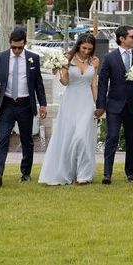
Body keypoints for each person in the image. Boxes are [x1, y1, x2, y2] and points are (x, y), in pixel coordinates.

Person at [0, 28, 47, 186]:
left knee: (27, 140)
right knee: (3, 138)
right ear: (9, 44)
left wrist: (43, 104)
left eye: (20, 47)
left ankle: (26, 173)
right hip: (7, 104)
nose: (17, 50)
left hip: (25, 104)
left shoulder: (33, 58)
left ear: (25, 44)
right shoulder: (0, 58)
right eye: (14, 47)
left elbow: (38, 84)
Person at [39, 32, 99, 185]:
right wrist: (58, 71)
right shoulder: (68, 58)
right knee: (69, 137)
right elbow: (65, 82)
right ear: (79, 45)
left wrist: (97, 104)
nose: (86, 51)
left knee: (82, 137)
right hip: (70, 100)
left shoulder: (95, 61)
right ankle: (69, 172)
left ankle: (84, 174)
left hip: (86, 101)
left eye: (89, 49)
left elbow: (93, 84)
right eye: (84, 48)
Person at [94, 25, 133, 184]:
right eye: (132, 36)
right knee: (112, 137)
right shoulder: (109, 58)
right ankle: (107, 174)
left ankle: (130, 173)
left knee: (132, 139)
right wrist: (100, 105)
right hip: (114, 105)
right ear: (122, 38)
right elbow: (103, 83)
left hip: (132, 104)